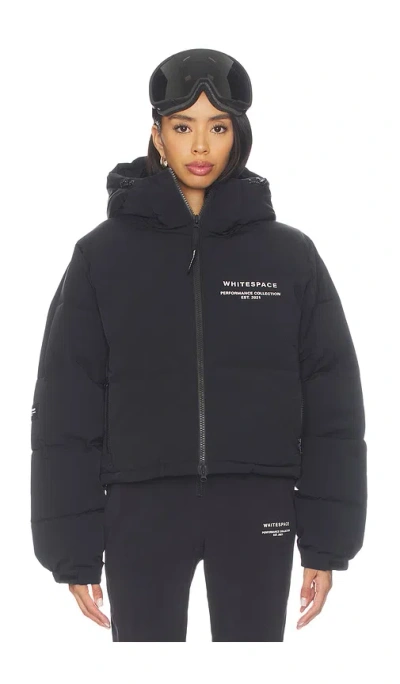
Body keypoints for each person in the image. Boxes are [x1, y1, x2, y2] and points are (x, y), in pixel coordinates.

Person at [30, 48, 368, 642]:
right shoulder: (101, 257)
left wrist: (327, 541)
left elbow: (333, 405)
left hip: (259, 505)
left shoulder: (289, 257)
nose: (201, 146)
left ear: (239, 136)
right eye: (183, 127)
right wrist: (72, 548)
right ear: (157, 135)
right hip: (140, 508)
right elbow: (65, 406)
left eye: (219, 127)